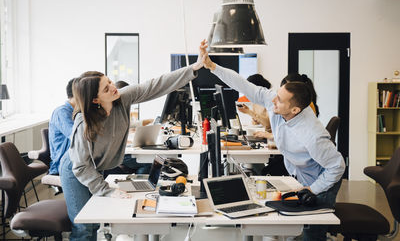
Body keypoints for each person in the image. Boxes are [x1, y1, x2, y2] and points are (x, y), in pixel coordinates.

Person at [59, 41, 205, 241]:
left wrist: (193, 68)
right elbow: (81, 166)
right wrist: (106, 190)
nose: (113, 87)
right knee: (84, 227)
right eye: (105, 88)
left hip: (96, 165)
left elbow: (154, 85)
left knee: (95, 222)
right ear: (95, 100)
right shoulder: (83, 123)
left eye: (109, 81)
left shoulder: (121, 99)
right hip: (75, 169)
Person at [200, 41, 345, 241]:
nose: (272, 101)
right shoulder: (275, 103)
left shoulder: (312, 135)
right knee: (300, 225)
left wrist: (313, 189)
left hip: (322, 182)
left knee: (313, 231)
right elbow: (244, 85)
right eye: (276, 95)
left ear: (295, 110)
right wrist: (212, 66)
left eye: (279, 100)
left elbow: (337, 167)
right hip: (301, 175)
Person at [48, 78, 76, 175]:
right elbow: (77, 137)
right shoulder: (61, 112)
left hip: (78, 161)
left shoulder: (77, 111)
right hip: (63, 164)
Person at [237, 74, 273, 139]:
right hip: (262, 135)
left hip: (270, 138)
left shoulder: (270, 101)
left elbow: (268, 125)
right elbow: (257, 122)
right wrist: (256, 120)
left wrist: (249, 112)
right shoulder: (255, 101)